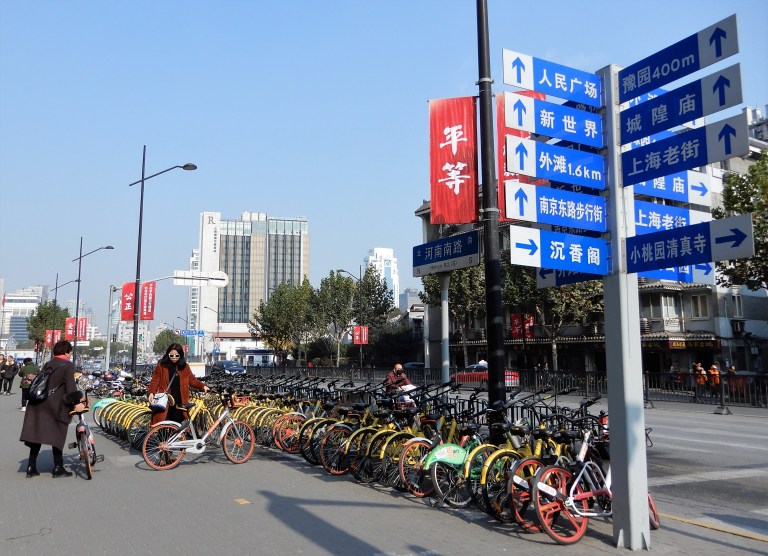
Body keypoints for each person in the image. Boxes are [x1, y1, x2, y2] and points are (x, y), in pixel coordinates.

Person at [19, 340, 85, 478]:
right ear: (67, 352)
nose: (71, 354)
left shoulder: (49, 364)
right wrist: (77, 402)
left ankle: (31, 467)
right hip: (55, 406)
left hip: (38, 404)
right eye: (70, 351)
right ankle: (58, 467)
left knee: (36, 436)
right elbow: (71, 387)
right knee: (57, 436)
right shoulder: (68, 365)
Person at [148, 343, 209, 426]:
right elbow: (155, 380)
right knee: (164, 424)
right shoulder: (162, 365)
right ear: (167, 354)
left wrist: (202, 386)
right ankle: (164, 439)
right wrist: (151, 392)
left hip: (180, 401)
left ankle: (178, 438)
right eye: (171, 355)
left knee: (178, 426)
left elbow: (192, 380)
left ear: (180, 355)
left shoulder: (184, 367)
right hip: (166, 400)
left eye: (176, 355)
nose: (174, 358)